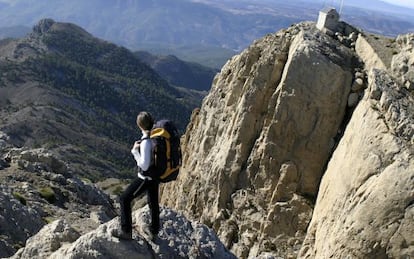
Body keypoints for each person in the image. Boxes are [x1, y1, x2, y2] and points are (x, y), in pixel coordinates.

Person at [112, 111, 160, 240]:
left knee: (124, 199)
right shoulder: (156, 138)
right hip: (155, 176)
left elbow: (144, 165)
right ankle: (154, 231)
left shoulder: (146, 142)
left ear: (139, 125)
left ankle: (126, 231)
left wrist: (134, 152)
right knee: (153, 203)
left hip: (145, 178)